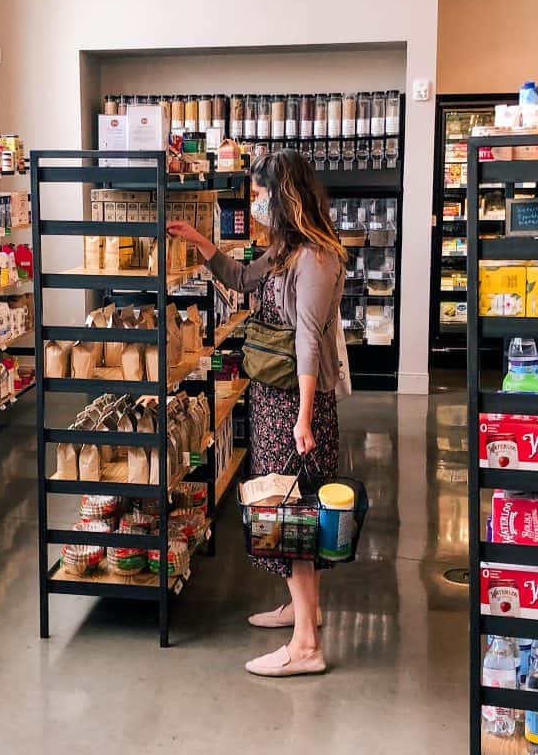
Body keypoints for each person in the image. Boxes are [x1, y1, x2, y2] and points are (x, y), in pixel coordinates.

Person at [167, 148, 346, 677]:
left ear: (285, 195)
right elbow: (243, 281)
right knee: (289, 507)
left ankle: (307, 647)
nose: (257, 203)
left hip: (295, 400)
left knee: (287, 514)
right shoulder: (287, 249)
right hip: (274, 394)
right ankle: (302, 611)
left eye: (262, 193)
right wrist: (201, 244)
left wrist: (304, 419)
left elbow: (311, 340)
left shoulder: (315, 257)